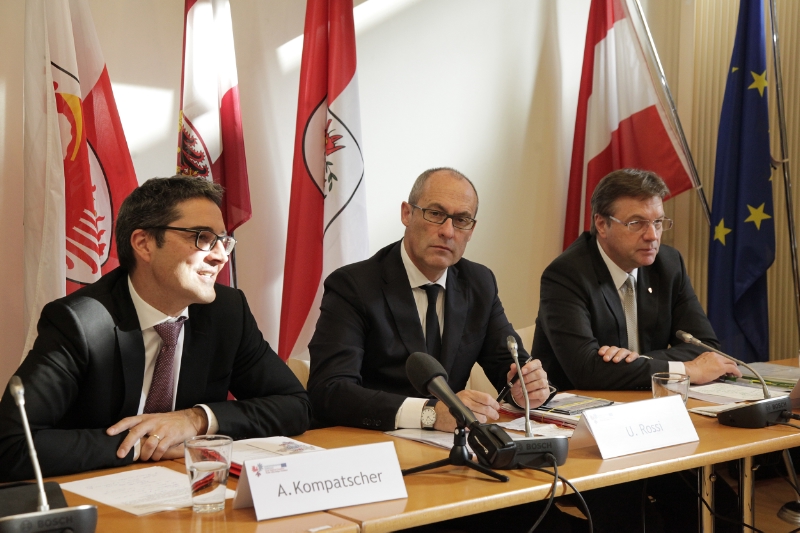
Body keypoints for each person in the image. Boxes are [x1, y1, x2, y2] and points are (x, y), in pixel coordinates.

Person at [0, 176, 311, 482]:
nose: (220, 256)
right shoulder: (80, 322)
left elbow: (295, 405)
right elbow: (11, 445)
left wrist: (196, 420)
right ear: (144, 244)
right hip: (96, 492)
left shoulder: (227, 312)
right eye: (202, 238)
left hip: (184, 487)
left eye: (223, 241)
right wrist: (144, 443)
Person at [308, 168, 551, 433]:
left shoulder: (478, 283)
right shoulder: (353, 286)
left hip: (449, 445)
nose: (448, 231)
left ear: (471, 230)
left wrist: (525, 390)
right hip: (371, 442)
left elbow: (510, 369)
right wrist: (429, 414)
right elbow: (330, 391)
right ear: (406, 214)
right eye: (435, 214)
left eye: (461, 220)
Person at [534, 168, 741, 391]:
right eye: (636, 223)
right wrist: (686, 370)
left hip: (645, 399)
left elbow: (705, 348)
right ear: (602, 224)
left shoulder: (669, 264)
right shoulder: (566, 275)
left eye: (658, 222)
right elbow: (586, 370)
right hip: (578, 406)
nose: (652, 235)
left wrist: (636, 362)